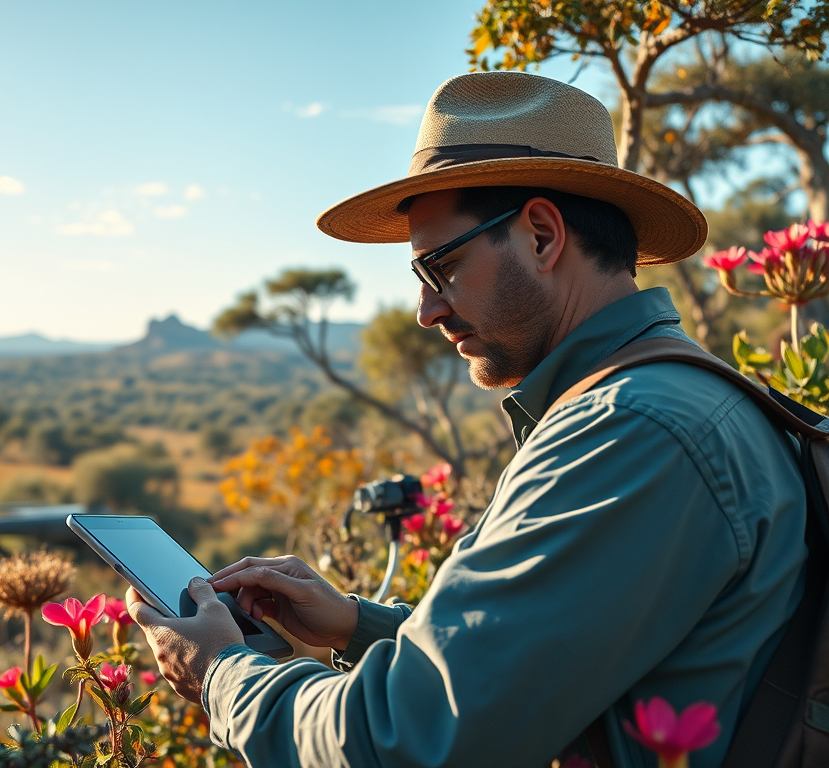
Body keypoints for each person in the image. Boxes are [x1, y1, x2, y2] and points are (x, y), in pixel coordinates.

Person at [126, 72, 807, 767]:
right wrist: (360, 625)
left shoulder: (627, 433)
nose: (428, 311)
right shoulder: (675, 400)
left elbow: (405, 744)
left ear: (542, 235)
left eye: (442, 267)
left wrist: (222, 676)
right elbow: (555, 658)